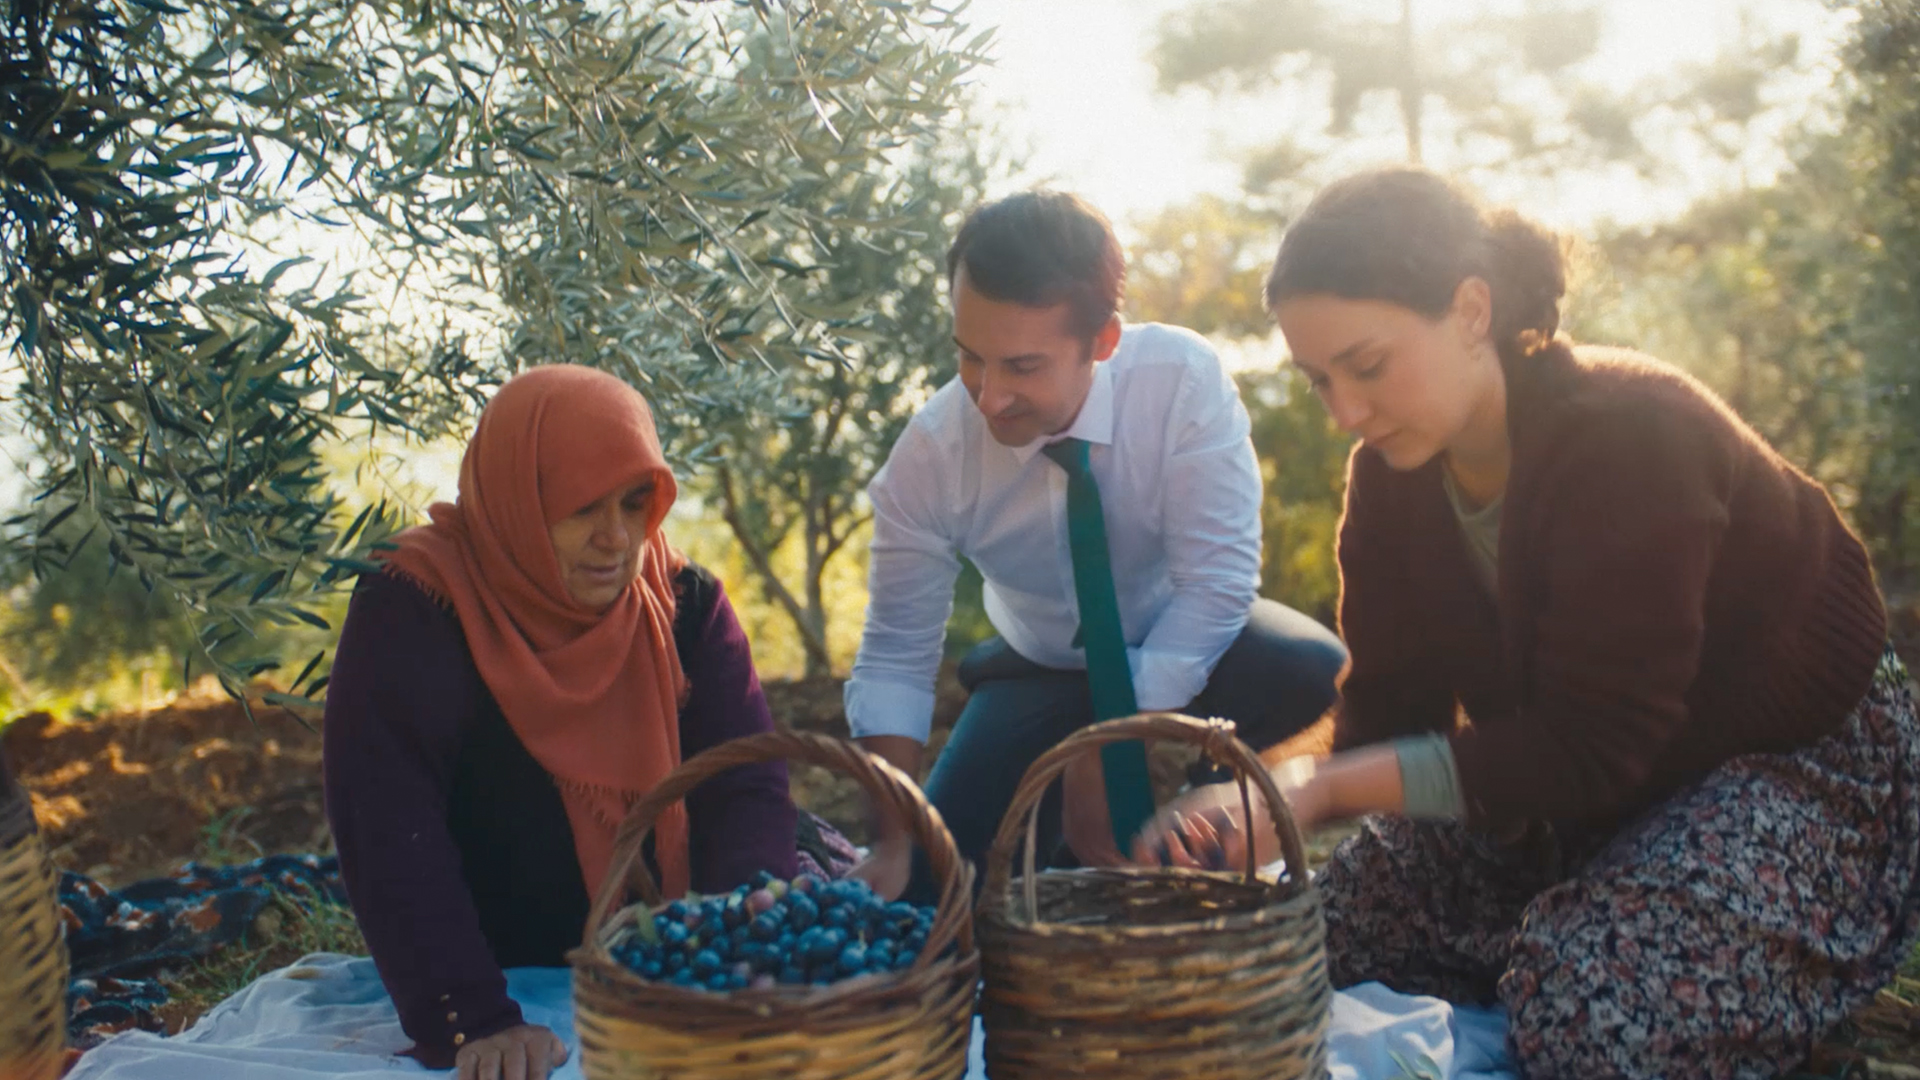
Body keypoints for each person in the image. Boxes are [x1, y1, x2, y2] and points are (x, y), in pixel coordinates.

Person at [1136, 167, 1920, 1079]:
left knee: (1591, 1018)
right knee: (1303, 938)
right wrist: (1260, 797)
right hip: (1575, 792)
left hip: (1787, 768)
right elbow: (1388, 723)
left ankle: (1716, 975)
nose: (1347, 410)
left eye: (1369, 365)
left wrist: (1319, 791)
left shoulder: (1632, 434)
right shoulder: (1390, 481)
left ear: (1473, 309)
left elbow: (1595, 746)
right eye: (1319, 381)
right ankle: (1600, 922)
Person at [845, 190, 1347, 902]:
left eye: (1022, 367)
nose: (987, 398)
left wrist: (1110, 732)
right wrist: (895, 838)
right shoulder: (931, 455)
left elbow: (1216, 586)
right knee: (932, 882)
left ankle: (1200, 848)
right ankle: (1054, 858)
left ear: (1103, 343)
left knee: (1313, 675)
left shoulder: (1180, 381)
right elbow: (896, 653)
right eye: (969, 356)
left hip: (1184, 636)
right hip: (1040, 661)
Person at [323, 365, 798, 1080]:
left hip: (666, 954)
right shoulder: (417, 604)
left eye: (635, 503)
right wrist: (469, 1017)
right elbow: (386, 820)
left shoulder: (680, 602)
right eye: (582, 509)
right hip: (498, 955)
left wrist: (745, 950)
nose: (616, 539)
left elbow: (745, 782)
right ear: (518, 499)